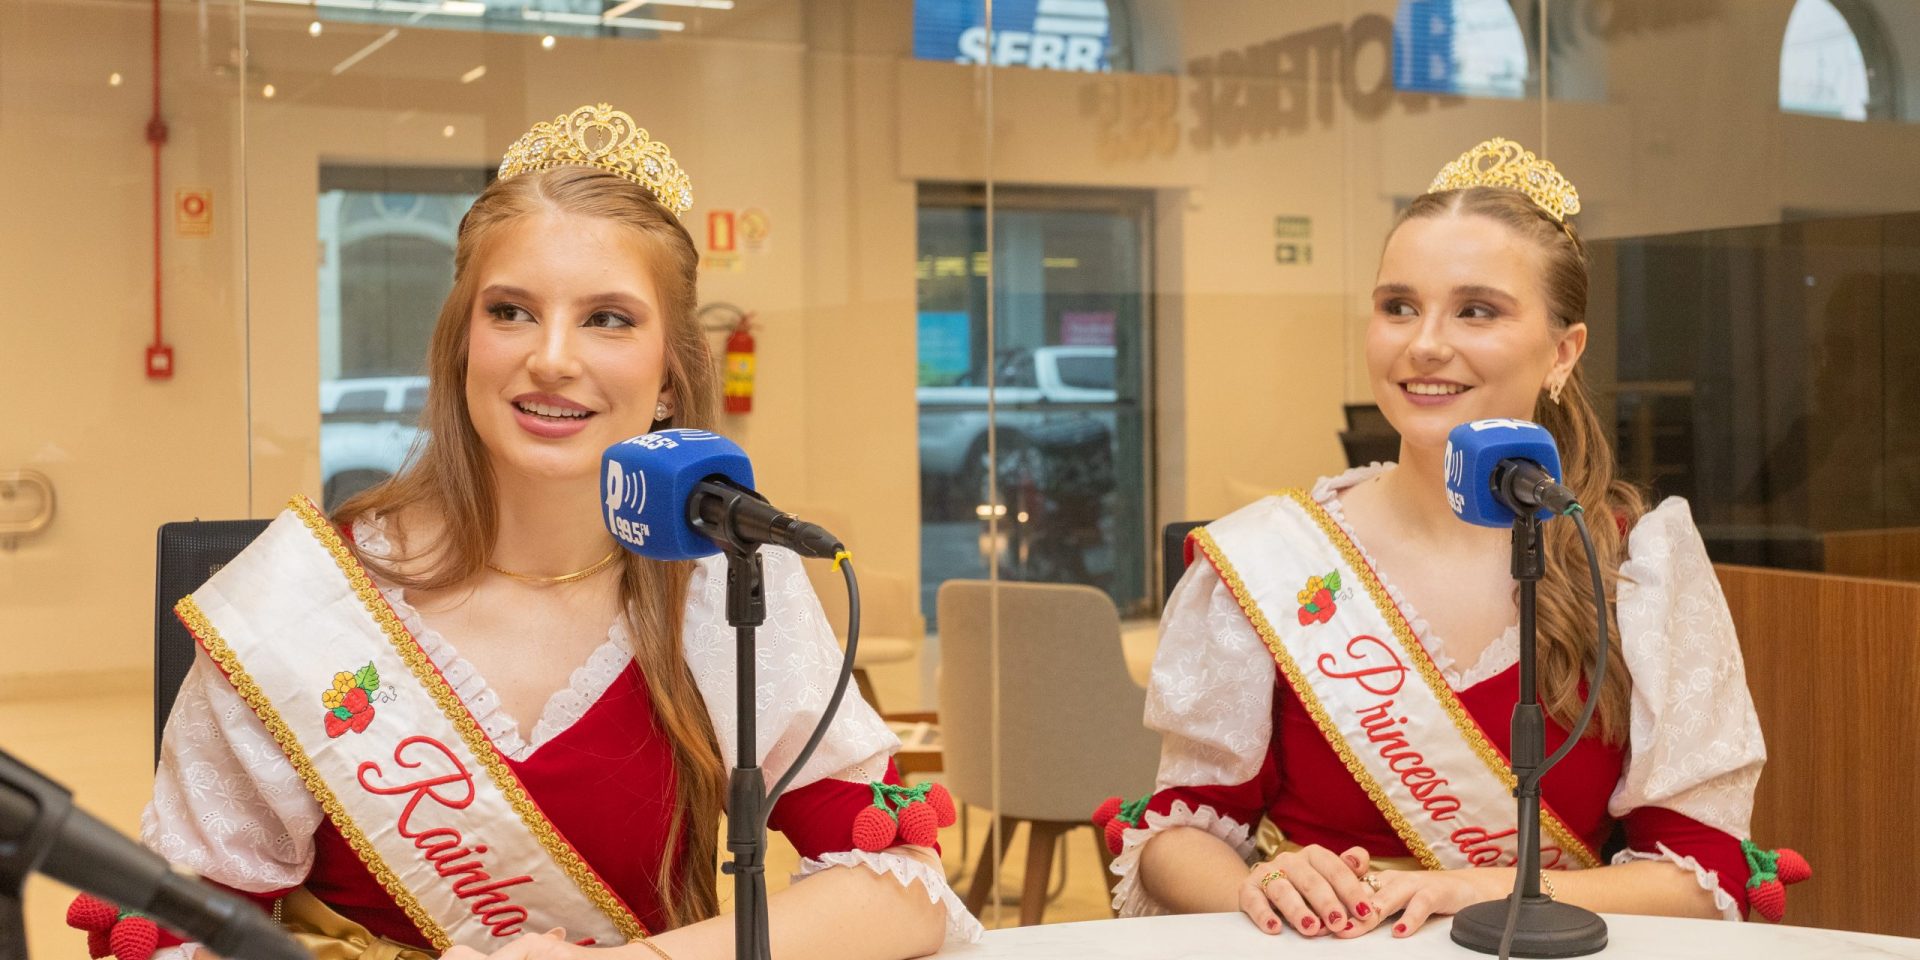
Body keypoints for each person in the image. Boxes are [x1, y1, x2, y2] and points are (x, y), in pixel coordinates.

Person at [111, 104, 980, 960]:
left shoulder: (719, 577)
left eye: (608, 318)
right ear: (462, 344)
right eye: (512, 311)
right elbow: (182, 930)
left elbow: (901, 891)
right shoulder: (308, 598)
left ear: (670, 377)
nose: (553, 357)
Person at [1110, 139, 1786, 940]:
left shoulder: (1640, 564)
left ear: (1563, 352)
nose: (1424, 344)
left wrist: (1488, 888)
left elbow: (1701, 877)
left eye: (1477, 310)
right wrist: (1261, 883)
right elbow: (1179, 834)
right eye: (1398, 306)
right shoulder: (1269, 559)